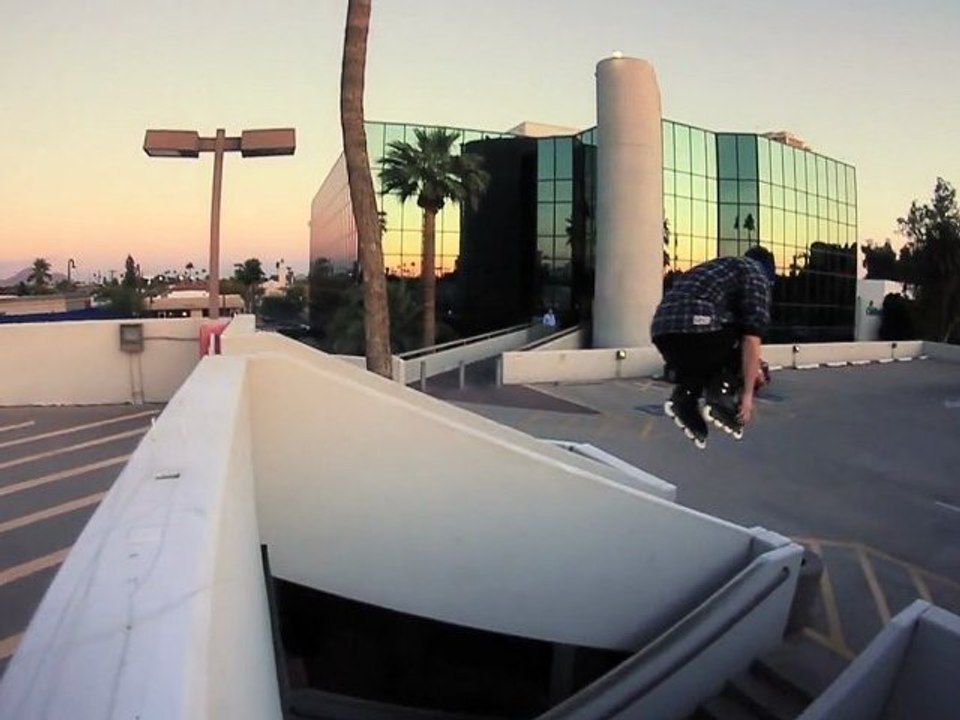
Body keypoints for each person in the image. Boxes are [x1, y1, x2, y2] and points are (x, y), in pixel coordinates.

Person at [651, 245, 776, 448]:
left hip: (662, 331)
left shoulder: (722, 267)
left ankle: (685, 401)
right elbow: (752, 339)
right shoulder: (757, 275)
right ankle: (720, 397)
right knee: (744, 340)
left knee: (707, 356)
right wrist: (747, 395)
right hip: (695, 325)